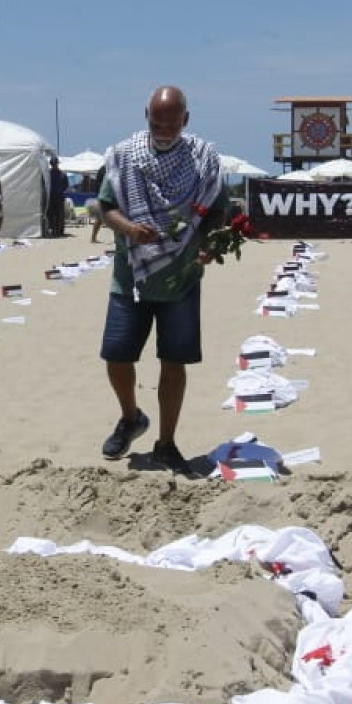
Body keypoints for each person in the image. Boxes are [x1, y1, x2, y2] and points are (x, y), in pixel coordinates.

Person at [96, 85, 226, 473]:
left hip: (181, 277)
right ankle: (131, 416)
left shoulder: (203, 159)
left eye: (172, 122)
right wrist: (130, 229)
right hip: (131, 275)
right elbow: (105, 206)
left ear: (185, 119)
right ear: (146, 116)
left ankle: (166, 443)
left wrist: (209, 244)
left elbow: (218, 210)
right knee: (116, 355)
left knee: (173, 361)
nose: (165, 129)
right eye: (158, 121)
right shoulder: (123, 156)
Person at [45, 155, 68, 238]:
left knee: (59, 215)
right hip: (51, 197)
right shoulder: (48, 174)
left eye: (55, 163)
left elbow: (66, 185)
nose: (54, 165)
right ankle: (54, 230)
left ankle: (59, 231)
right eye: (53, 163)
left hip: (58, 197)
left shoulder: (61, 174)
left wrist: (61, 191)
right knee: (51, 215)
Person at [86, 165, 107, 242]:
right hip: (104, 195)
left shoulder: (102, 169)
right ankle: (93, 237)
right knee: (99, 218)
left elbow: (96, 184)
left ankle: (93, 237)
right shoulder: (106, 169)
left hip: (101, 195)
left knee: (99, 219)